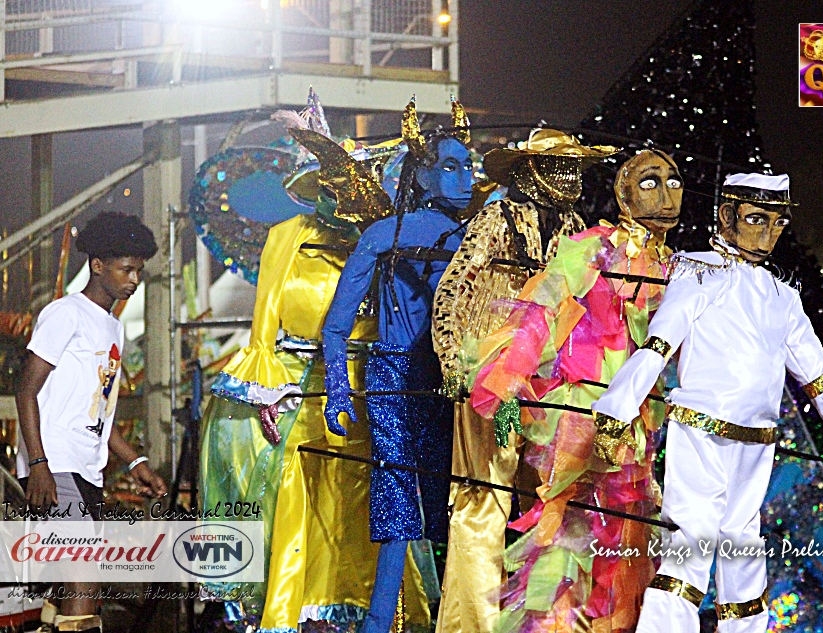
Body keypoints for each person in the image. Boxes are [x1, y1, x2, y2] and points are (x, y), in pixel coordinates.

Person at [593, 173, 823, 633]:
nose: (767, 234)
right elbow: (660, 342)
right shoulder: (697, 270)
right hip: (700, 434)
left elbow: (820, 378)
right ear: (727, 217)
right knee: (690, 547)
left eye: (776, 223)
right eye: (755, 219)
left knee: (743, 550)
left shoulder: (782, 297)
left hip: (756, 442)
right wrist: (617, 409)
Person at [198, 98, 431, 631]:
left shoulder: (386, 241)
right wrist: (268, 389)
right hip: (301, 390)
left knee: (360, 502)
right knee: (298, 499)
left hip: (369, 391)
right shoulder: (289, 236)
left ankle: (354, 612)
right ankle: (290, 611)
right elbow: (266, 324)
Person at [462, 150, 682, 633]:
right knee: (567, 535)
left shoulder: (678, 269)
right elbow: (540, 312)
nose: (667, 194)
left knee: (626, 533)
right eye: (649, 182)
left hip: (638, 424)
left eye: (674, 180)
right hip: (581, 411)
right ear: (623, 194)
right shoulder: (594, 247)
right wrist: (508, 383)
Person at [431, 129, 618, 633]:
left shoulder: (578, 227)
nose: (570, 178)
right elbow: (454, 288)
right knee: (483, 500)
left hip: (552, 387)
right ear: (528, 170)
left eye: (575, 168)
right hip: (492, 380)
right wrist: (454, 364)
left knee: (554, 504)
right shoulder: (499, 217)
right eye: (558, 166)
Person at [321, 97, 473, 633]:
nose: (465, 177)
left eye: (469, 165)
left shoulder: (478, 241)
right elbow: (335, 326)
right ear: (423, 175)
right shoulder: (384, 236)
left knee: (457, 509)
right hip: (393, 379)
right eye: (450, 166)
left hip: (453, 383)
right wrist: (338, 391)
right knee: (399, 506)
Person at [15, 212, 167, 633]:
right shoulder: (65, 313)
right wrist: (40, 466)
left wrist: (136, 463)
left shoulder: (112, 328)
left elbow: (102, 415)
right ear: (98, 266)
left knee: (68, 588)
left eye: (139, 270)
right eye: (126, 269)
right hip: (56, 461)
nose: (134, 279)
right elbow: (25, 391)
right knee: (85, 575)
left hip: (87, 466)